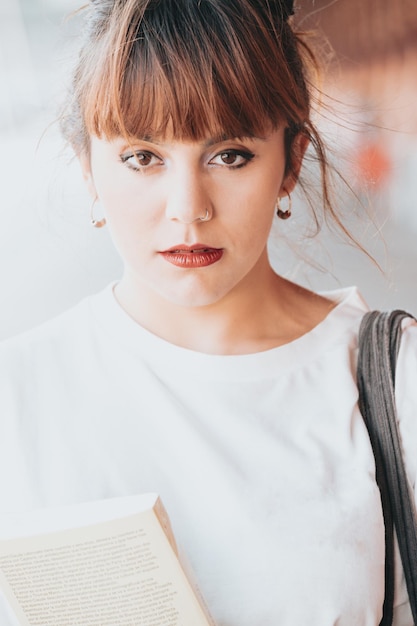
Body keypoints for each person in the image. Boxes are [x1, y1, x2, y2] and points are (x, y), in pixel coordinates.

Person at [0, 0, 416, 624]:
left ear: (291, 161)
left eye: (230, 155)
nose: (187, 208)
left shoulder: (393, 380)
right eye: (143, 157)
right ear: (88, 167)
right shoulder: (19, 394)